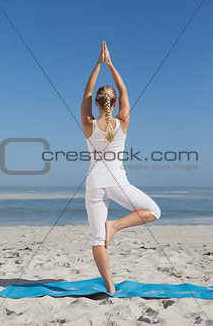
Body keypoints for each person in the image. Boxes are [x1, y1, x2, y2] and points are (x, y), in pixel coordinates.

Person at [81, 41, 161, 294]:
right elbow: (125, 92)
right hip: (118, 184)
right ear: (113, 105)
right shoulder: (122, 121)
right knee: (153, 211)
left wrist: (97, 65)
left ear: (97, 104)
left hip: (94, 184)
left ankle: (111, 289)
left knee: (97, 239)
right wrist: (110, 64)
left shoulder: (88, 123)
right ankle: (114, 226)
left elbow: (86, 93)